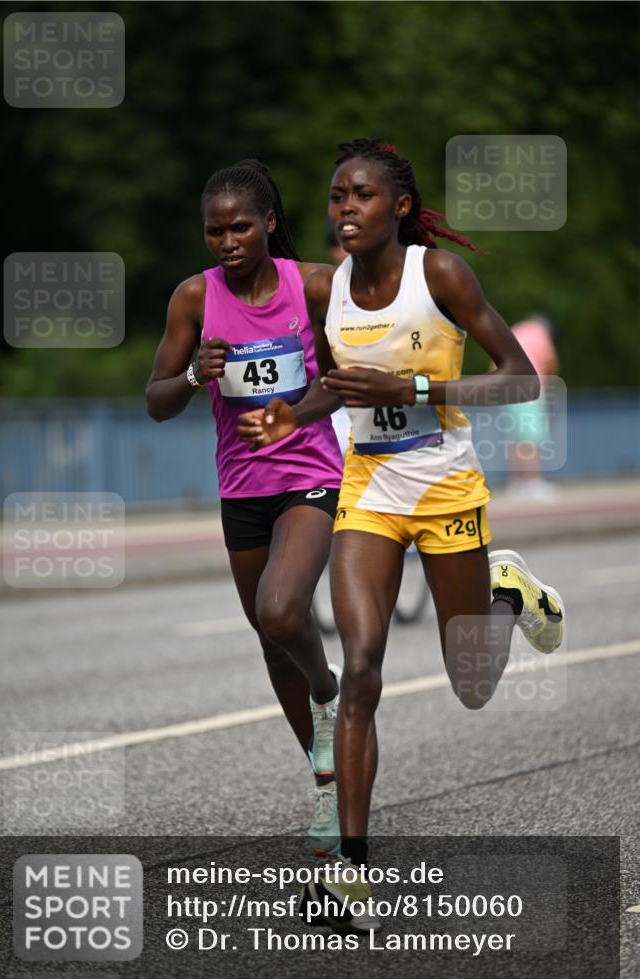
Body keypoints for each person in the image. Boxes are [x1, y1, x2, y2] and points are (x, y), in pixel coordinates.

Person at [238, 138, 566, 932]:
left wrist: (414, 384)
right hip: (370, 489)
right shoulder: (331, 289)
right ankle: (349, 874)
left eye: (360, 196)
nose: (344, 210)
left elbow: (520, 376)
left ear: (401, 209)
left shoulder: (439, 276)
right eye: (335, 197)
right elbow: (336, 386)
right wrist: (290, 414)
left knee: (473, 687)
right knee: (361, 668)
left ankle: (506, 592)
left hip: (447, 484)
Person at [145, 159, 345, 849]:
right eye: (213, 231)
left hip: (309, 477)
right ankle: (328, 789)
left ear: (267, 222)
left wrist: (296, 412)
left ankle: (327, 690)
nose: (226, 242)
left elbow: (343, 383)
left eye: (239, 227)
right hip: (242, 489)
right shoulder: (192, 300)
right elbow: (156, 401)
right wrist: (191, 374)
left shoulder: (312, 285)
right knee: (269, 644)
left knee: (281, 610)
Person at [504, 314, 561, 500]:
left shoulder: (515, 329)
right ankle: (533, 483)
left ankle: (517, 484)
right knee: (530, 439)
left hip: (508, 390)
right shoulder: (540, 332)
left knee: (517, 439)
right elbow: (550, 361)